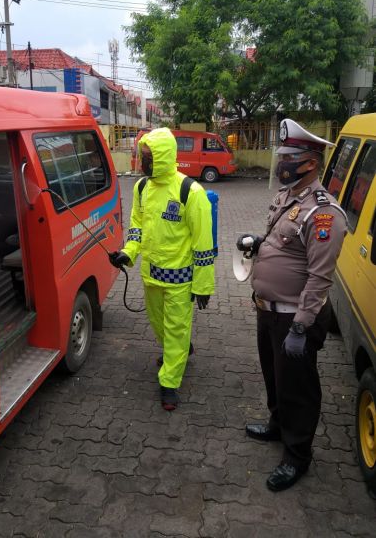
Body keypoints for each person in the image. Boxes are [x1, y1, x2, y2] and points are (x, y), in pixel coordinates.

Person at [236, 118, 347, 491]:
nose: (281, 163)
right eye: (281, 155)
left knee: (298, 388)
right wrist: (258, 241)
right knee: (274, 376)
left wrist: (300, 326)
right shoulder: (287, 197)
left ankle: (298, 455)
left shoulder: (324, 213)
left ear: (310, 163)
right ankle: (277, 425)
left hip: (293, 320)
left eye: (289, 157)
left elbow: (319, 278)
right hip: (267, 312)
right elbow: (282, 242)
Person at [109, 127, 215, 411]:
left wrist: (203, 286)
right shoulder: (141, 187)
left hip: (180, 279)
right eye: (142, 156)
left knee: (176, 327)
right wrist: (127, 254)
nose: (143, 162)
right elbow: (137, 226)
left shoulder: (190, 191)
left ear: (163, 156)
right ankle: (177, 351)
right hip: (151, 275)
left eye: (148, 156)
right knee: (159, 325)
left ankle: (169, 382)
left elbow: (203, 243)